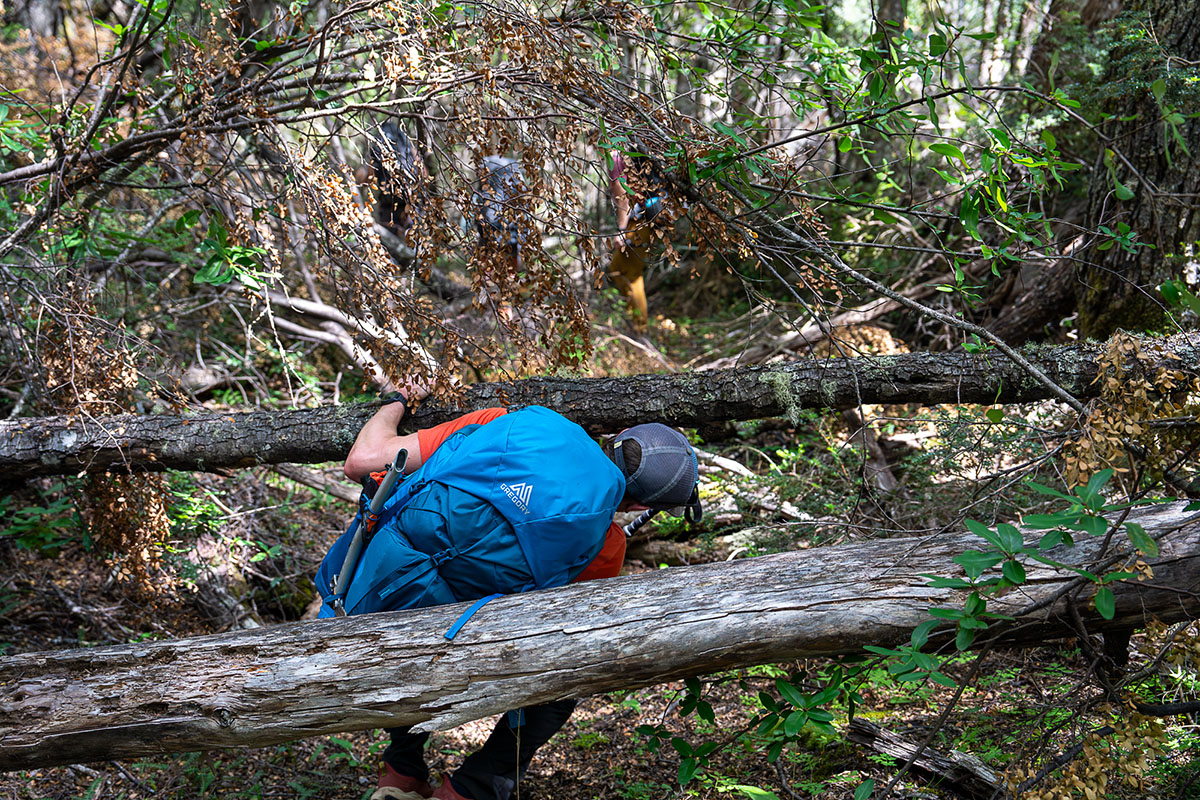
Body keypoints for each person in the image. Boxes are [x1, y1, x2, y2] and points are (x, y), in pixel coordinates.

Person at [340, 393, 702, 800]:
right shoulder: (605, 544)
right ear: (637, 505)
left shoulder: (503, 425)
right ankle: (469, 790)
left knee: (420, 604)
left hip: (371, 603)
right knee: (567, 679)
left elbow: (360, 463)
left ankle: (401, 771)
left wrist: (395, 401)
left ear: (616, 435)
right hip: (455, 651)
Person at [607, 152, 670, 331]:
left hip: (639, 221)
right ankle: (634, 319)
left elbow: (622, 196)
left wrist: (621, 230)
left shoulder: (614, 158)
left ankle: (640, 328)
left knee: (630, 273)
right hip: (645, 217)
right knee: (618, 269)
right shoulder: (627, 153)